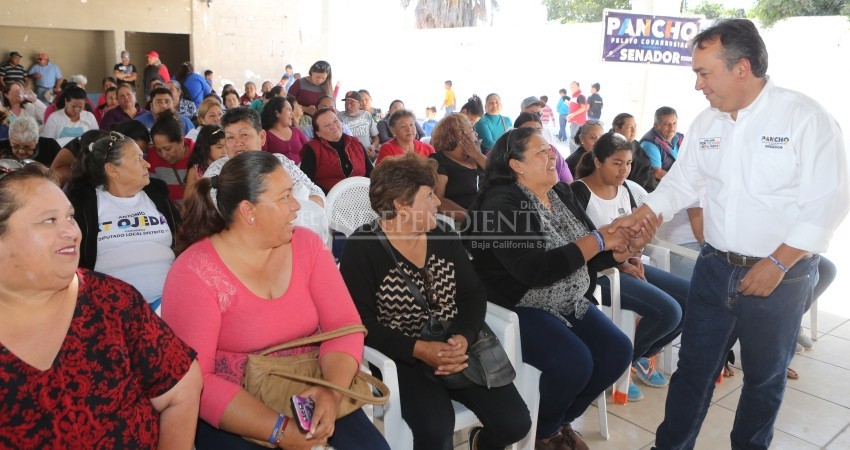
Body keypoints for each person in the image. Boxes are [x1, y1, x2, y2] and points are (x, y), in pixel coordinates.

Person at [602, 20, 850, 450]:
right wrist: (642, 213)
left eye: (704, 72)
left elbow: (827, 202)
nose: (698, 84)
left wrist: (777, 263)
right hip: (715, 268)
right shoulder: (707, 123)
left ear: (742, 67)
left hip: (779, 275)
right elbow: (683, 182)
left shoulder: (805, 118)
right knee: (694, 370)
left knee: (764, 378)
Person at [161, 151, 389, 450]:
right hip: (233, 409)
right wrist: (279, 430)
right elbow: (195, 380)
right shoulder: (194, 272)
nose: (296, 206)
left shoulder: (306, 245)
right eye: (284, 197)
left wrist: (331, 392)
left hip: (312, 386)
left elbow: (344, 325)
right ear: (248, 211)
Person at [465, 127, 654, 450]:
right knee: (574, 362)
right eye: (541, 152)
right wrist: (598, 240)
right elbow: (535, 270)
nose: (552, 155)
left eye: (550, 149)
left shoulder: (561, 194)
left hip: (565, 298)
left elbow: (587, 255)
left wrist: (619, 252)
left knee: (617, 352)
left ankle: (550, 425)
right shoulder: (502, 204)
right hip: (516, 303)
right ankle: (537, 433)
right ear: (516, 165)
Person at [0, 160, 202, 448]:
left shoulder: (112, 302)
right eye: (49, 220)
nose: (72, 231)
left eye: (69, 217)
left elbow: (183, 386)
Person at [339, 153, 531, 450]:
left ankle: (481, 443)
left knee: (516, 423)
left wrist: (463, 338)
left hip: (455, 345)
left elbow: (472, 294)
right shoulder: (362, 247)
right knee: (436, 428)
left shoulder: (442, 233)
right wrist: (420, 350)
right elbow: (361, 322)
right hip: (402, 357)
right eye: (429, 196)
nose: (438, 203)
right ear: (401, 205)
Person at [571, 132, 689, 401]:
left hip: (626, 264)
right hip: (599, 273)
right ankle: (616, 367)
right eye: (616, 163)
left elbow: (636, 235)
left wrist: (633, 255)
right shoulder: (578, 192)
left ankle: (637, 356)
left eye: (628, 163)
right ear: (598, 161)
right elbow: (581, 248)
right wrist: (622, 262)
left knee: (693, 298)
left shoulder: (625, 190)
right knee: (669, 311)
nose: (624, 170)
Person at [66, 131, 182, 313]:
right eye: (138, 159)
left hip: (169, 301)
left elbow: (183, 239)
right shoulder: (84, 206)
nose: (147, 164)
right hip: (112, 310)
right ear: (112, 170)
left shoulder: (158, 197)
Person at [428, 113, 486, 222]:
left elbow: (501, 174)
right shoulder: (439, 160)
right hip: (462, 222)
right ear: (460, 135)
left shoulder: (476, 158)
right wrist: (472, 219)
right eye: (472, 130)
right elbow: (437, 199)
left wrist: (478, 155)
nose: (476, 134)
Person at [300, 107, 373, 193]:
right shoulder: (312, 148)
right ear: (318, 133)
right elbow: (306, 181)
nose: (333, 126)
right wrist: (334, 195)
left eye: (335, 121)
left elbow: (371, 173)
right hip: (330, 200)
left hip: (361, 195)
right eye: (326, 125)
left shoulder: (356, 143)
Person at [147, 111, 195, 204]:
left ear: (181, 141)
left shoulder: (199, 152)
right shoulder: (152, 156)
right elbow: (154, 191)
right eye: (158, 150)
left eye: (167, 148)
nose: (164, 155)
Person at [513, 111, 572, 184]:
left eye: (538, 129)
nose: (535, 133)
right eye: (528, 129)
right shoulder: (513, 153)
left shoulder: (552, 150)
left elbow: (568, 182)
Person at [613, 113, 658, 193]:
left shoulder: (636, 147)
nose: (634, 131)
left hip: (642, 190)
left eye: (635, 127)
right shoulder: (606, 146)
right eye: (629, 127)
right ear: (617, 129)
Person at [639, 106, 682, 181]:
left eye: (674, 123)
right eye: (666, 124)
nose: (672, 127)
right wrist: (682, 181)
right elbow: (657, 173)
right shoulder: (650, 143)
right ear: (656, 125)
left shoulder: (680, 137)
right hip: (661, 187)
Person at [261, 96, 308, 163]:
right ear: (277, 113)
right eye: (289, 110)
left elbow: (308, 152)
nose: (292, 114)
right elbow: (263, 161)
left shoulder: (297, 132)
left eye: (292, 110)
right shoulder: (265, 135)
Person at [338, 90, 380, 160]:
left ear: (360, 104)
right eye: (346, 103)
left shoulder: (366, 115)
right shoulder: (339, 117)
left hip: (368, 155)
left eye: (352, 103)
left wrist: (373, 147)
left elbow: (375, 138)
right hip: (350, 157)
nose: (348, 106)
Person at [185, 124, 226, 192]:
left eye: (226, 146)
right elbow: (188, 198)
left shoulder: (228, 167)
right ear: (206, 147)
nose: (224, 151)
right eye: (219, 147)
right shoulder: (195, 171)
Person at [566, 82, 587, 153]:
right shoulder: (573, 97)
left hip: (578, 121)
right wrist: (569, 104)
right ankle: (573, 156)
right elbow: (574, 107)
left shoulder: (580, 96)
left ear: (578, 87)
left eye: (573, 87)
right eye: (571, 87)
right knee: (572, 139)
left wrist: (572, 114)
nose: (572, 88)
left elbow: (583, 108)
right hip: (574, 121)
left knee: (574, 139)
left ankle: (581, 154)